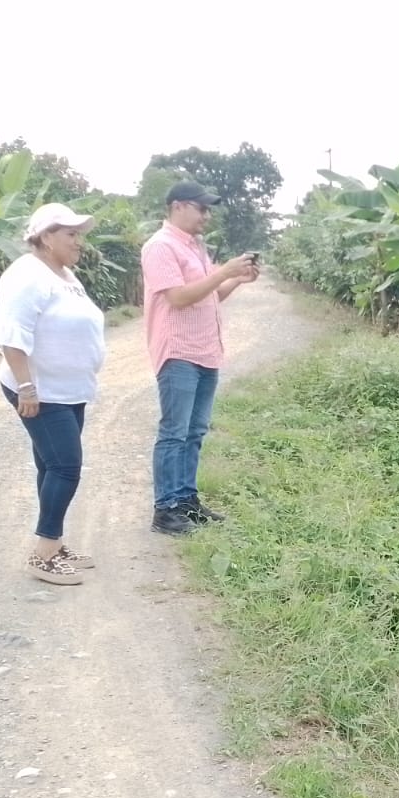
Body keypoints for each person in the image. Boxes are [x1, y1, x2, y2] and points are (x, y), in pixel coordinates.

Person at [0, 203, 106, 586]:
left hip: (69, 390)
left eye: (79, 234)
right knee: (66, 466)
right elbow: (11, 335)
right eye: (71, 234)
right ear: (45, 237)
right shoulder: (26, 274)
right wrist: (26, 387)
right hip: (41, 391)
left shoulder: (65, 275)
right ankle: (43, 554)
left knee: (50, 465)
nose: (79, 241)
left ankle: (54, 545)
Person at [140, 180, 260, 535]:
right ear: (178, 206)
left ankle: (186, 501)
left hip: (206, 351)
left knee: (194, 432)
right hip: (178, 351)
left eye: (208, 209)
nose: (207, 215)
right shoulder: (160, 247)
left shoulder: (195, 247)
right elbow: (178, 297)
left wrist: (237, 280)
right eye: (201, 208)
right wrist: (223, 271)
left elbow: (210, 295)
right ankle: (165, 510)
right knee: (174, 432)